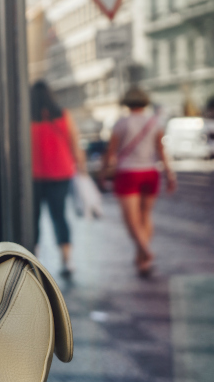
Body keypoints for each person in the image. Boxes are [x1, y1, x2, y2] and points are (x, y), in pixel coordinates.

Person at [102, 87, 176, 277]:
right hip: (151, 173)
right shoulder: (154, 122)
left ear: (127, 102)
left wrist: (103, 173)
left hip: (128, 174)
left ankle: (146, 251)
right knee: (145, 216)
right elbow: (161, 151)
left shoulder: (121, 123)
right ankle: (142, 258)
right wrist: (169, 174)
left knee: (131, 220)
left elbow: (111, 153)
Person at [29, 81, 85, 276]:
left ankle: (32, 259)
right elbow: (75, 145)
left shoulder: (26, 118)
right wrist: (83, 171)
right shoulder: (63, 115)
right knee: (59, 216)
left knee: (32, 217)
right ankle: (66, 260)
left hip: (33, 176)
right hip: (60, 174)